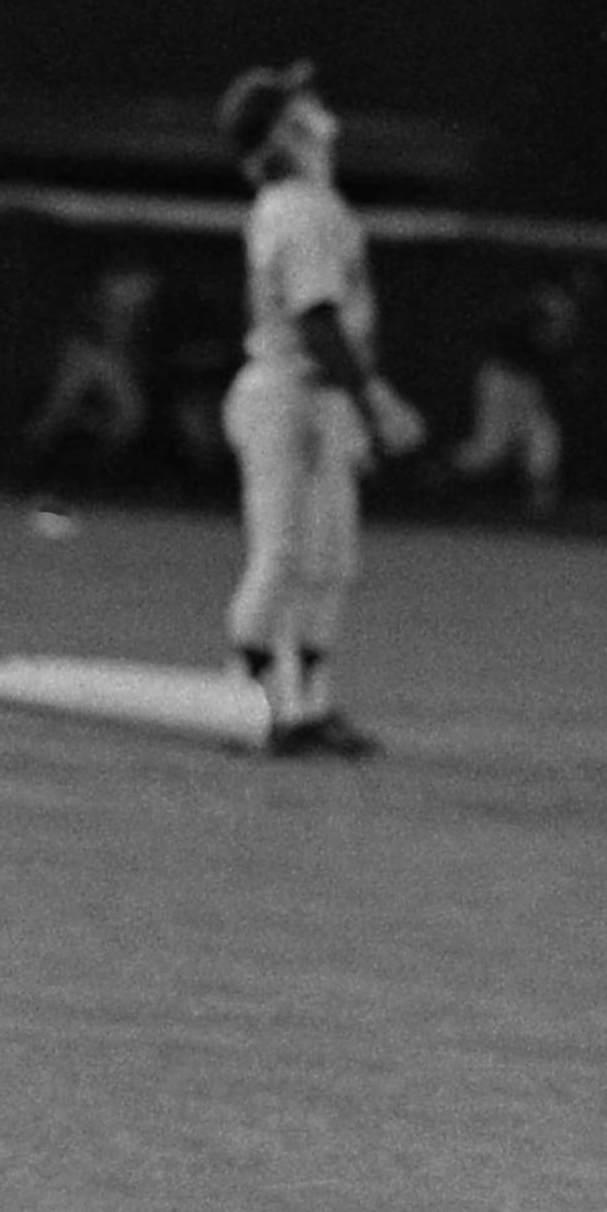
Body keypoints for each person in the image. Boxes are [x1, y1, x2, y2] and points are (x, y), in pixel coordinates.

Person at [215, 59, 424, 759]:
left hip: (317, 395)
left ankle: (307, 707)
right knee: (281, 554)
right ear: (282, 131)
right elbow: (317, 320)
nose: (317, 111)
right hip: (291, 394)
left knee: (330, 561)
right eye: (299, 106)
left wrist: (357, 401)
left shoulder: (310, 202)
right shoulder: (299, 209)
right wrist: (374, 399)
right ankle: (244, 704)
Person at [15, 256, 162, 493]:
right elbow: (86, 330)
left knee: (131, 416)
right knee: (57, 409)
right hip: (85, 353)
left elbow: (134, 344)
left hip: (116, 362)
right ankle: (22, 470)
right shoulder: (99, 294)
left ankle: (95, 478)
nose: (141, 288)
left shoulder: (149, 303)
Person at [444, 271, 585, 516]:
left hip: (527, 381)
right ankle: (435, 479)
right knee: (489, 451)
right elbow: (502, 330)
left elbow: (553, 351)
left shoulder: (562, 310)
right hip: (502, 376)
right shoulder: (535, 303)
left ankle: (541, 506)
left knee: (544, 435)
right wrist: (542, 322)